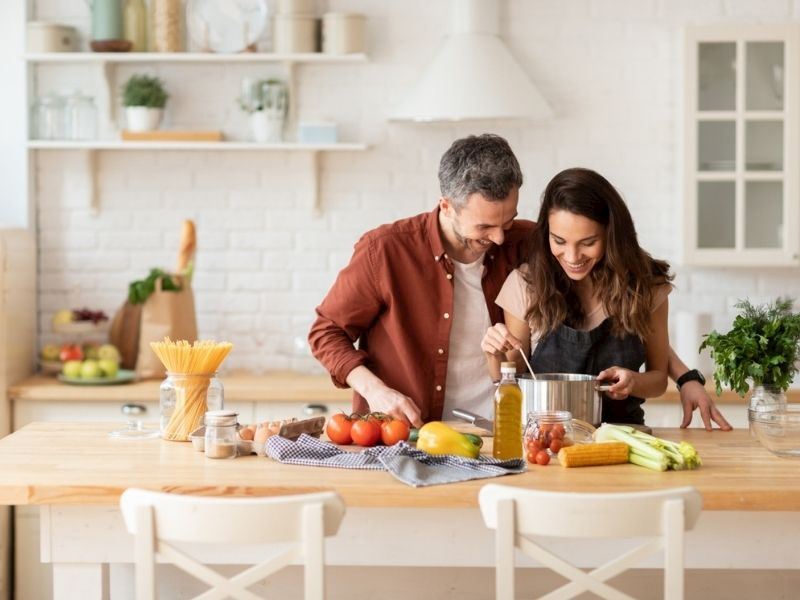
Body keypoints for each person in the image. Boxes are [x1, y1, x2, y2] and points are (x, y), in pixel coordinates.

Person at [309, 135, 732, 429]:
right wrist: (376, 390)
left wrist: (686, 376)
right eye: (484, 227)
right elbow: (326, 332)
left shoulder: (533, 241)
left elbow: (625, 303)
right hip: (416, 428)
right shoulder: (387, 251)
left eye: (507, 220)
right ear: (446, 206)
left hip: (501, 432)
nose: (498, 238)